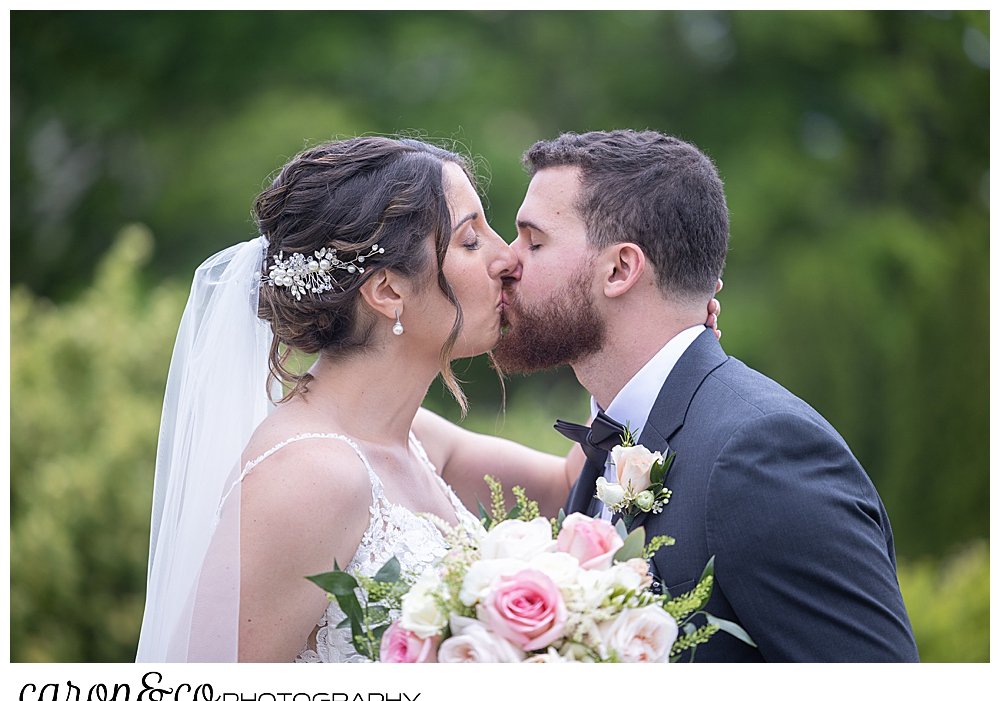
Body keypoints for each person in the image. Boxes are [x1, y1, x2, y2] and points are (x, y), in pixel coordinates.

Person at [134, 134, 723, 662]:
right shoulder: (308, 475)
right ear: (388, 289)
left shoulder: (417, 438)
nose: (506, 258)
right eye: (471, 240)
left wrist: (642, 336)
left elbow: (570, 486)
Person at [493, 130, 920, 662]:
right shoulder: (618, 431)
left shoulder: (763, 453)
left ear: (620, 269)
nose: (505, 262)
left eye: (533, 242)